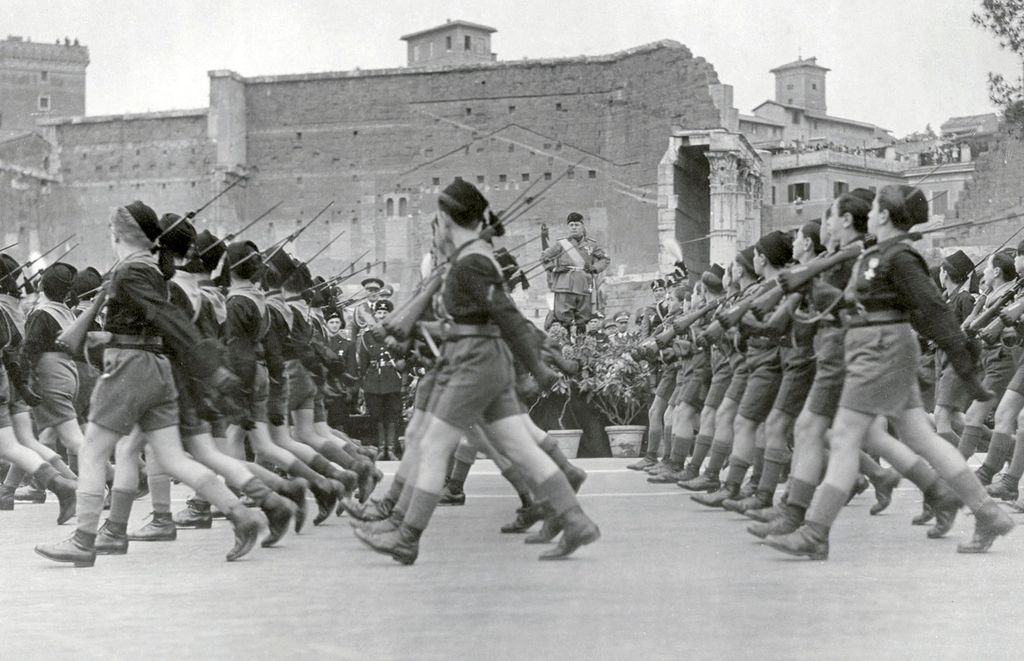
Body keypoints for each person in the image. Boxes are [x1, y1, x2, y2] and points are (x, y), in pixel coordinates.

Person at [354, 179, 599, 564]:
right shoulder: (470, 257)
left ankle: (407, 534)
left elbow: (508, 318)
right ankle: (575, 519)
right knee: (518, 445)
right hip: (476, 357)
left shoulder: (473, 261)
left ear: (447, 216)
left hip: (476, 362)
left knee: (434, 445)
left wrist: (539, 368)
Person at [764, 185, 1015, 559]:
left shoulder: (898, 257)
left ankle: (815, 532)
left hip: (880, 347)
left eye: (875, 208)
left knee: (846, 435)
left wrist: (966, 368)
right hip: (876, 346)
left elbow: (933, 310)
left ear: (882, 216)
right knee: (920, 436)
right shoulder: (878, 255)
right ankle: (987, 511)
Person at [35, 200, 263, 567]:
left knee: (92, 451)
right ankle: (241, 514)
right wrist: (107, 337)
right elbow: (151, 323)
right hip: (156, 368)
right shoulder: (151, 269)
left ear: (117, 234)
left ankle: (84, 539)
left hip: (130, 368)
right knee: (173, 458)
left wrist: (211, 366)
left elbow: (163, 315)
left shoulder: (130, 272)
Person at [541, 212, 610, 336]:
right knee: (564, 319)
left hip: (584, 286)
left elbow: (605, 259)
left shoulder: (591, 244)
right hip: (564, 286)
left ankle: (582, 346)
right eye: (571, 225)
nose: (573, 227)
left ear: (583, 226)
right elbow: (544, 257)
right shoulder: (561, 244)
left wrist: (594, 268)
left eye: (576, 224)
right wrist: (555, 268)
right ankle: (565, 345)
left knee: (583, 319)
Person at [356, 298, 405, 459]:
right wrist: (363, 385)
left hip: (392, 380)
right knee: (376, 416)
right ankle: (380, 448)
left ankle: (390, 450)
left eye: (385, 313)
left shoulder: (397, 335)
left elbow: (404, 358)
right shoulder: (366, 336)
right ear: (375, 315)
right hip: (373, 381)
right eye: (379, 312)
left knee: (392, 415)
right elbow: (363, 364)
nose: (382, 315)